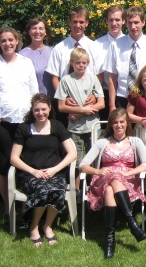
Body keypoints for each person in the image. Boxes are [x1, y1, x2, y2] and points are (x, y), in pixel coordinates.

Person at [79, 108, 146, 259]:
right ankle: (132, 223)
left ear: (127, 123)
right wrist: (98, 172)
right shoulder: (102, 142)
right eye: (115, 122)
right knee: (113, 178)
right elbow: (83, 165)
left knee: (111, 188)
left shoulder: (135, 141)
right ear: (111, 125)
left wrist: (127, 173)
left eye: (122, 122)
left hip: (128, 182)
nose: (118, 125)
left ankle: (109, 240)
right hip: (103, 179)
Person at [10, 93, 77, 247]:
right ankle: (33, 227)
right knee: (42, 191)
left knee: (57, 190)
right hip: (30, 174)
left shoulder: (57, 126)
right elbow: (14, 158)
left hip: (54, 172)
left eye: (43, 109)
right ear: (32, 111)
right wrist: (33, 171)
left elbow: (72, 153)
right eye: (37, 110)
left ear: (49, 108)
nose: (40, 113)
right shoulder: (24, 128)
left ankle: (47, 225)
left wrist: (55, 169)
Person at [0, 27, 39, 207]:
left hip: (25, 122)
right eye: (3, 41)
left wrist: (37, 119)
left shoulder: (26, 62)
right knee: (4, 164)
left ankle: (25, 203)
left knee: (26, 163)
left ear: (17, 41)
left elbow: (34, 92)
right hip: (2, 123)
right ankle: (8, 205)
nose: (8, 43)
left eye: (11, 40)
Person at [54, 47, 105, 193]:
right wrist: (82, 111)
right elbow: (61, 107)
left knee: (95, 159)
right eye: (77, 63)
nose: (81, 65)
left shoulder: (93, 78)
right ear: (72, 63)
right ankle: (77, 190)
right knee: (76, 160)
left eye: (84, 63)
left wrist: (79, 113)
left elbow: (101, 103)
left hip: (93, 126)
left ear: (88, 63)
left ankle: (94, 189)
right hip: (74, 128)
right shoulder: (66, 80)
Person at [103, 6, 146, 111]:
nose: (133, 26)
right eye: (130, 23)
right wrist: (112, 106)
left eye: (136, 22)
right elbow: (112, 77)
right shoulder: (115, 45)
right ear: (125, 23)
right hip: (123, 99)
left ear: (143, 22)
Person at [95, 6, 126, 121]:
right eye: (111, 20)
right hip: (103, 94)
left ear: (123, 21)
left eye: (117, 20)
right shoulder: (97, 44)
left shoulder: (129, 43)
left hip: (124, 93)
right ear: (106, 21)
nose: (114, 23)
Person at [20, 18, 55, 98]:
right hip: (34, 102)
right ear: (29, 32)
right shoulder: (22, 55)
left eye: (41, 28)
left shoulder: (53, 51)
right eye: (34, 28)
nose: (37, 31)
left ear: (45, 32)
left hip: (54, 101)